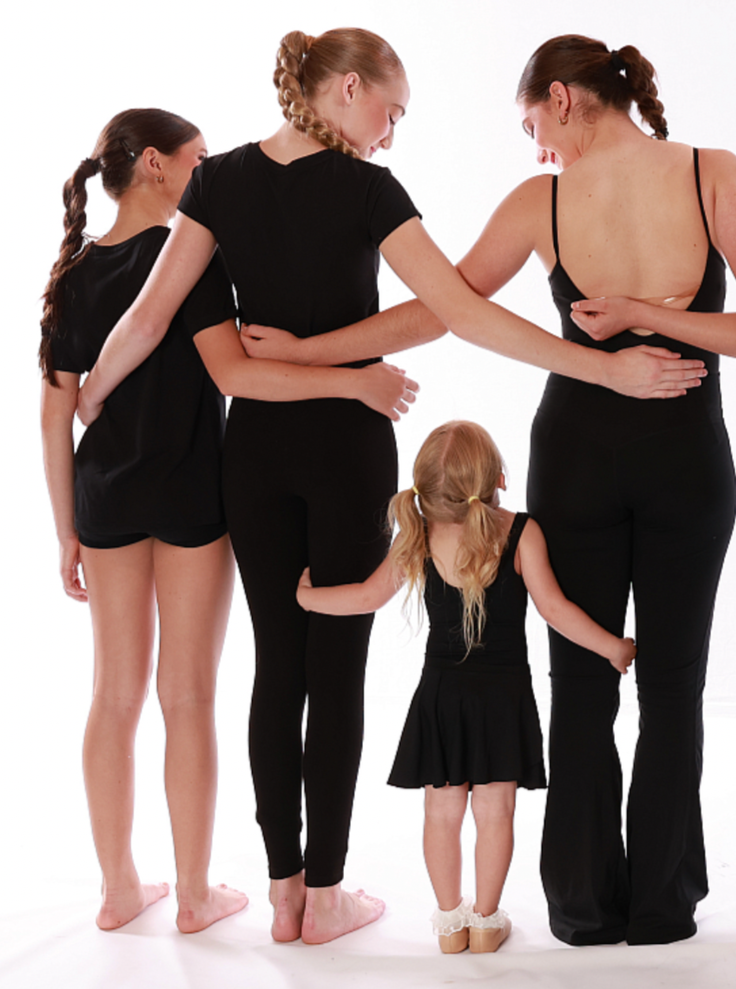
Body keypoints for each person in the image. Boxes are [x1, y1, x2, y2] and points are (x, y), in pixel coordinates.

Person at [238, 32, 736, 947]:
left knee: (581, 685)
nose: (535, 146)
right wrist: (670, 322)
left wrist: (310, 350)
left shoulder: (547, 200)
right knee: (674, 688)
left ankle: (583, 908)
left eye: (532, 123)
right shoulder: (710, 173)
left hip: (577, 458)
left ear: (564, 97)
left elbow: (443, 310)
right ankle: (661, 907)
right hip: (688, 462)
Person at [72, 27, 616, 944]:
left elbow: (150, 314)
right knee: (338, 671)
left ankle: (283, 891)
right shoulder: (367, 188)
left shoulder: (221, 180)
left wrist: (89, 397)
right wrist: (596, 368)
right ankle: (326, 896)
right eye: (391, 112)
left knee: (276, 669)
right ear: (350, 89)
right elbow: (458, 311)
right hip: (346, 455)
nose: (392, 134)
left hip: (256, 458)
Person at [298, 420, 635, 954]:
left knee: (441, 813)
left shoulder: (423, 534)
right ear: (498, 477)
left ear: (425, 490)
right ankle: (485, 920)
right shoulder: (521, 532)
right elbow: (555, 610)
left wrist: (310, 599)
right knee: (495, 813)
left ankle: (449, 924)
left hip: (441, 697)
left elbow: (366, 597)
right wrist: (613, 647)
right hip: (502, 699)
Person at [37, 108, 246, 934]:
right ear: (156, 165)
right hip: (193, 488)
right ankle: (194, 895)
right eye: (201, 160)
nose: (209, 173)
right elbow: (229, 369)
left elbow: (54, 416)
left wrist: (64, 530)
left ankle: (120, 887)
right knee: (188, 695)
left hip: (108, 499)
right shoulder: (193, 253)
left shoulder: (77, 273)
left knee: (113, 694)